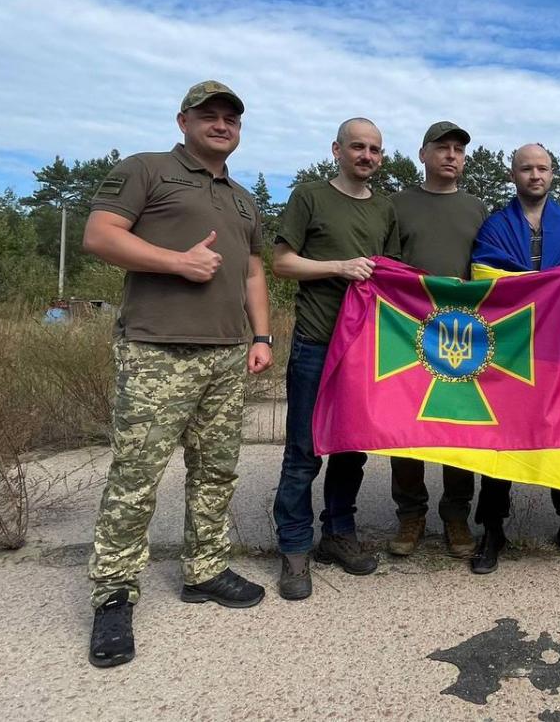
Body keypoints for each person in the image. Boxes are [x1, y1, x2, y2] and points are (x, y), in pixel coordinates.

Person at [83, 80, 273, 667]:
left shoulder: (242, 198)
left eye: (231, 119)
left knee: (216, 471)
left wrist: (261, 336)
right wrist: (177, 261)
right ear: (183, 120)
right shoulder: (147, 169)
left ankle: (205, 568)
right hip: (156, 351)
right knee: (137, 476)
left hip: (224, 353)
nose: (222, 125)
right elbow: (99, 236)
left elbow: (253, 273)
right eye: (209, 116)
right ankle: (114, 593)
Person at [271, 118, 401, 599]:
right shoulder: (310, 197)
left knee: (350, 447)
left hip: (365, 349)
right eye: (358, 147)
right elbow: (282, 263)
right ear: (337, 150)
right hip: (316, 342)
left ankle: (338, 535)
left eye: (375, 150)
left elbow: (393, 275)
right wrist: (338, 268)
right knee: (303, 451)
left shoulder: (385, 210)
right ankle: (294, 547)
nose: (367, 156)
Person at [467, 144, 560, 573]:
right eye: (527, 168)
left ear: (553, 174)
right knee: (501, 439)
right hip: (510, 349)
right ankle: (492, 528)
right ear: (513, 174)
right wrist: (541, 286)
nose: (535, 175)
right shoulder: (495, 226)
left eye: (542, 168)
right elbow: (484, 279)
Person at [387, 122, 488, 559]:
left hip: (460, 335)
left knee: (455, 428)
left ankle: (456, 517)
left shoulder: (477, 208)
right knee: (404, 428)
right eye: (442, 148)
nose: (451, 155)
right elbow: (385, 265)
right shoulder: (395, 205)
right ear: (422, 154)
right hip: (406, 332)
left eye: (458, 150)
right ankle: (410, 516)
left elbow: (489, 269)